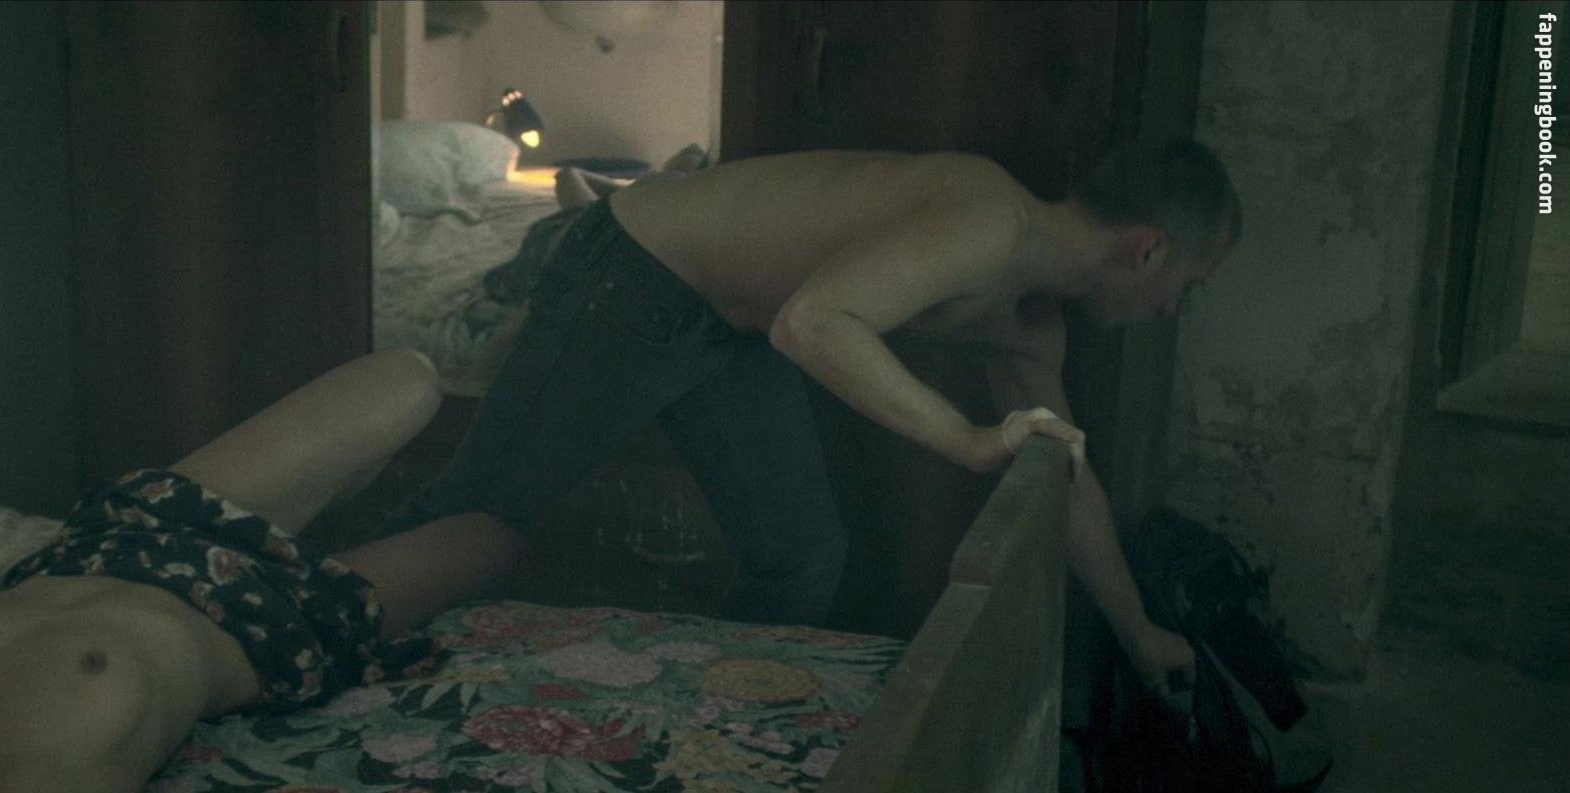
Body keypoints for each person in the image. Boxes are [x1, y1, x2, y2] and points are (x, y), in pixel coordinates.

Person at [381, 138, 1242, 703]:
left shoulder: (1030, 325)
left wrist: (1137, 629)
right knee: (477, 517)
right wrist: (968, 439)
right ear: (1148, 250)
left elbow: (1066, 473)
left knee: (801, 557)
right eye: (1189, 287)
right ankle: (335, 630)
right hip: (637, 272)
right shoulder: (991, 220)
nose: (1172, 309)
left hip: (732, 325)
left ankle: (715, 732)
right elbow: (814, 323)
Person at [0, 349, 522, 793]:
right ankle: (371, 523)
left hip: (127, 536)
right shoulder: (35, 767)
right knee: (495, 534)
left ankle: (344, 496)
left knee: (409, 377)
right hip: (269, 619)